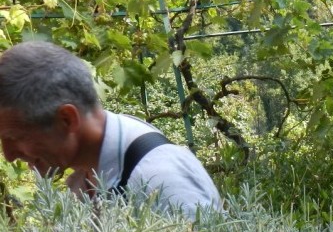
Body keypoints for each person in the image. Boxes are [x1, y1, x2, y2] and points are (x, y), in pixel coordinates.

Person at [0, 40, 222, 215]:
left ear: (67, 119)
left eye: (14, 136)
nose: (8, 155)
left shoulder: (160, 181)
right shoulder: (90, 172)